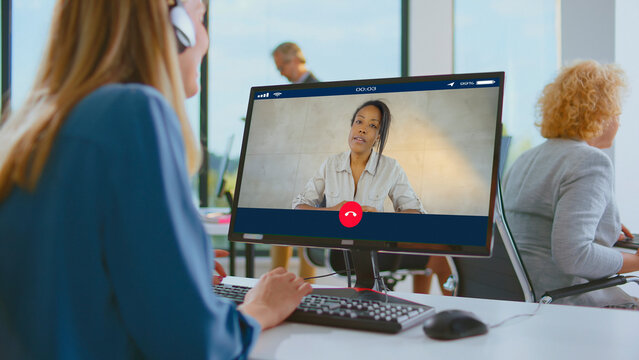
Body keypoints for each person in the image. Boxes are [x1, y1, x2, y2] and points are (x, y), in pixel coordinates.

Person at [0, 1, 311, 359]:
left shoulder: (32, 133)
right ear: (175, 23)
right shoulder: (132, 112)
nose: (205, 38)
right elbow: (197, 347)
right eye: (201, 18)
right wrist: (262, 307)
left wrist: (172, 269)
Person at [502, 60, 639, 308]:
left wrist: (602, 226)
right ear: (602, 116)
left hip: (517, 296)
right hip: (563, 300)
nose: (618, 123)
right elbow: (574, 256)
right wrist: (636, 261)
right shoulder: (590, 161)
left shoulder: (525, 159)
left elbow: (535, 228)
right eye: (616, 114)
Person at [293, 100, 424, 213]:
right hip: (333, 238)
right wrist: (332, 211)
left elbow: (415, 211)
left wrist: (380, 219)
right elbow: (299, 206)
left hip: (370, 239)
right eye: (359, 121)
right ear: (351, 127)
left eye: (372, 125)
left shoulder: (391, 167)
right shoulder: (331, 163)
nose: (362, 129)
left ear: (378, 136)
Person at [270, 41, 319, 279]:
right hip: (289, 170)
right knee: (280, 229)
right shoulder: (290, 92)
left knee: (305, 234)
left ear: (296, 59)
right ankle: (276, 280)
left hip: (308, 171)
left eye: (282, 66)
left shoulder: (318, 88)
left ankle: (305, 288)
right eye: (278, 67)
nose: (280, 72)